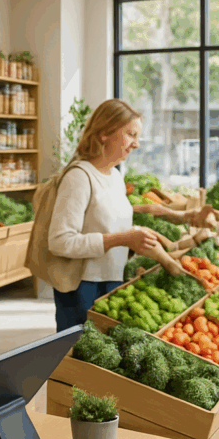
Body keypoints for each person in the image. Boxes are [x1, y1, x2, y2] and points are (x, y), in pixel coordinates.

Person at [47, 99, 160, 332]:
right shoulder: (78, 177)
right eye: (131, 135)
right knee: (79, 365)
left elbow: (109, 221)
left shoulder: (115, 176)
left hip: (112, 282)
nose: (136, 144)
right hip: (82, 289)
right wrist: (122, 239)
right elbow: (60, 242)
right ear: (104, 133)